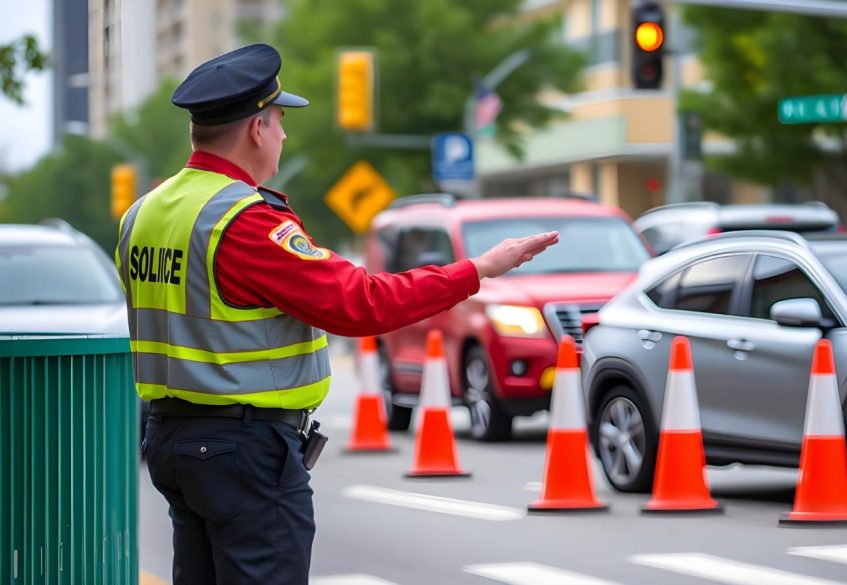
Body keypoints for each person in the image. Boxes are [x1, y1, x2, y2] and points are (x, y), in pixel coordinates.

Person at [115, 43, 558, 585]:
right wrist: (478, 270)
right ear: (256, 129)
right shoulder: (242, 221)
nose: (284, 135)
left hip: (173, 441)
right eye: (279, 121)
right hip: (243, 452)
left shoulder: (144, 212)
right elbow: (361, 302)